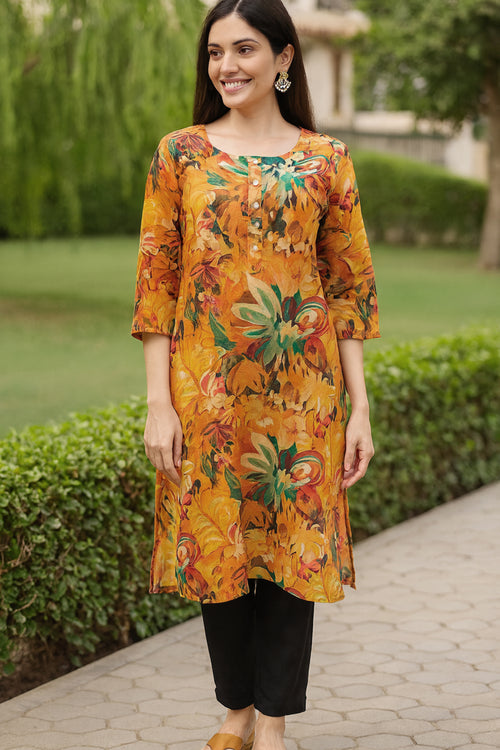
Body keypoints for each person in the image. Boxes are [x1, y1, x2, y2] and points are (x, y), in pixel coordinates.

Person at [131, 0, 380, 748]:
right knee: (219, 548)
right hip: (206, 394)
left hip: (305, 394)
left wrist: (360, 408)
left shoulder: (326, 159)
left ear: (284, 58)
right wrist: (158, 403)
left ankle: (270, 721)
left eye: (243, 49)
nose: (226, 66)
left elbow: (349, 289)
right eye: (215, 53)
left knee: (292, 551)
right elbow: (156, 283)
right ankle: (235, 708)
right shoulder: (180, 154)